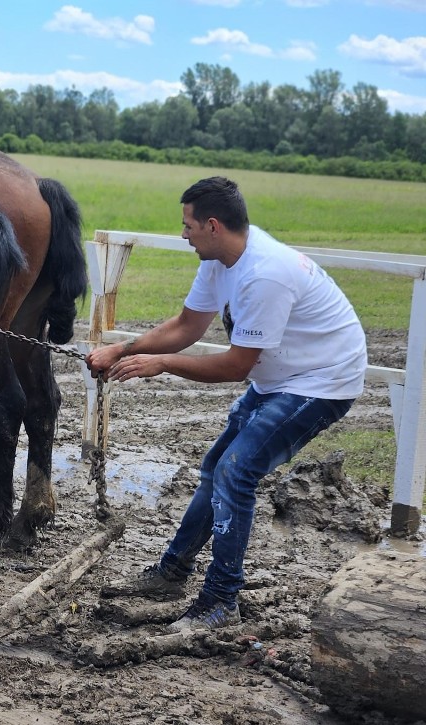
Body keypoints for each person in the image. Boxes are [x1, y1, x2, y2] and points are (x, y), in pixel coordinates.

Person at [86, 176, 367, 632]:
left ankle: (221, 600)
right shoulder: (220, 259)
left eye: (187, 225)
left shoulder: (265, 273)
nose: (183, 234)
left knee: (236, 472)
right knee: (216, 465)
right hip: (281, 375)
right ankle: (172, 571)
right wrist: (125, 349)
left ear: (212, 225)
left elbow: (236, 365)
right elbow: (186, 325)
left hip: (322, 382)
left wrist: (161, 364)